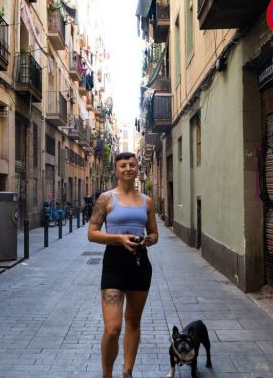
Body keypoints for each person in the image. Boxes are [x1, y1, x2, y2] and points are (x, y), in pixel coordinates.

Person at [87, 152, 159, 378]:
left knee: (133, 321)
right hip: (114, 264)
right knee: (112, 329)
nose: (128, 168)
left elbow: (155, 233)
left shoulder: (146, 201)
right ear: (116, 171)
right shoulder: (106, 199)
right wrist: (118, 239)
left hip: (139, 263)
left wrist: (149, 240)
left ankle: (128, 371)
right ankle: (107, 375)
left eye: (132, 165)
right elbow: (92, 233)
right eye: (123, 165)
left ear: (137, 169)